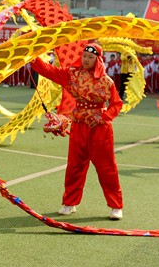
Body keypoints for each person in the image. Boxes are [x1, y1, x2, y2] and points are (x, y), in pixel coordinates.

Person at [31, 43, 124, 220]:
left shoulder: (106, 81)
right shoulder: (72, 75)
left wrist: (104, 117)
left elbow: (116, 104)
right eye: (84, 56)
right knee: (75, 166)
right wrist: (31, 57)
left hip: (100, 129)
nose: (86, 60)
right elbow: (50, 71)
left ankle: (116, 206)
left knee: (106, 168)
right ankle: (69, 203)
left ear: (97, 59)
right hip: (79, 125)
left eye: (90, 57)